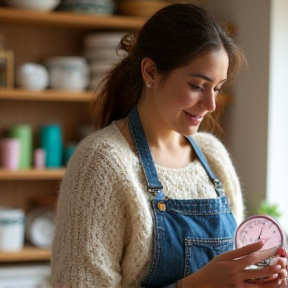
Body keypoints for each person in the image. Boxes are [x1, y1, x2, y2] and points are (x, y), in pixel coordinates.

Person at [51, 3, 288, 288]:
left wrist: (257, 278)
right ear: (151, 72)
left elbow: (232, 274)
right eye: (198, 85)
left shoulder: (212, 156)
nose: (211, 105)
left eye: (218, 88)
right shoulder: (100, 162)